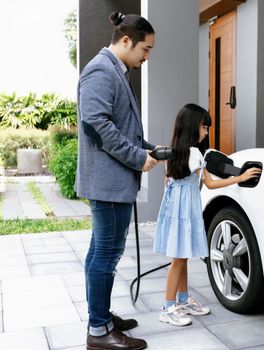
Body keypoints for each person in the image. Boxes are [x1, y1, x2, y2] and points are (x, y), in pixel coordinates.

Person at [75, 12, 159, 350]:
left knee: (101, 251)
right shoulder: (100, 70)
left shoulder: (113, 70)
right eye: (145, 49)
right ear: (126, 41)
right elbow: (96, 125)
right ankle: (98, 331)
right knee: (106, 254)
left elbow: (120, 126)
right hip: (107, 184)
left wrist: (152, 149)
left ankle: (103, 316)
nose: (147, 57)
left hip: (111, 182)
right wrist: (139, 157)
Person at [153, 103, 261, 326]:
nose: (206, 132)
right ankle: (168, 307)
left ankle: (182, 300)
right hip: (183, 210)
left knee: (182, 256)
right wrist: (240, 178)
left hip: (179, 209)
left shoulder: (177, 153)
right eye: (204, 127)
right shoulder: (193, 154)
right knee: (178, 259)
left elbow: (185, 182)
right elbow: (211, 183)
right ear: (192, 127)